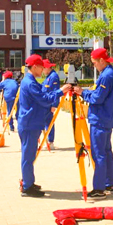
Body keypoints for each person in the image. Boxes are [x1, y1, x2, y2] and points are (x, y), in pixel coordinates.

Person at [17, 54, 71, 197]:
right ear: (35, 67)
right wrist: (61, 91)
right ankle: (27, 186)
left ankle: (29, 181)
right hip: (30, 124)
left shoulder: (30, 81)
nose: (43, 70)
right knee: (28, 156)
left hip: (31, 122)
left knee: (30, 155)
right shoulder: (30, 83)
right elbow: (44, 99)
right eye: (41, 67)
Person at [73, 48, 113, 200]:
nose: (93, 66)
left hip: (101, 119)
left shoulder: (106, 76)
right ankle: (108, 183)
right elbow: (98, 92)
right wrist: (86, 91)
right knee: (106, 151)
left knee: (99, 153)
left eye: (94, 63)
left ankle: (99, 188)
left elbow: (97, 98)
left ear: (101, 61)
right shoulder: (108, 73)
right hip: (106, 118)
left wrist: (82, 93)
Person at [41, 59, 60, 149]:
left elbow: (55, 92)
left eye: (43, 68)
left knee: (49, 123)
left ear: (47, 68)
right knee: (46, 123)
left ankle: (50, 141)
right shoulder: (48, 76)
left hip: (49, 104)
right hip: (45, 103)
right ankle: (48, 141)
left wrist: (54, 105)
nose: (42, 71)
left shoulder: (53, 77)